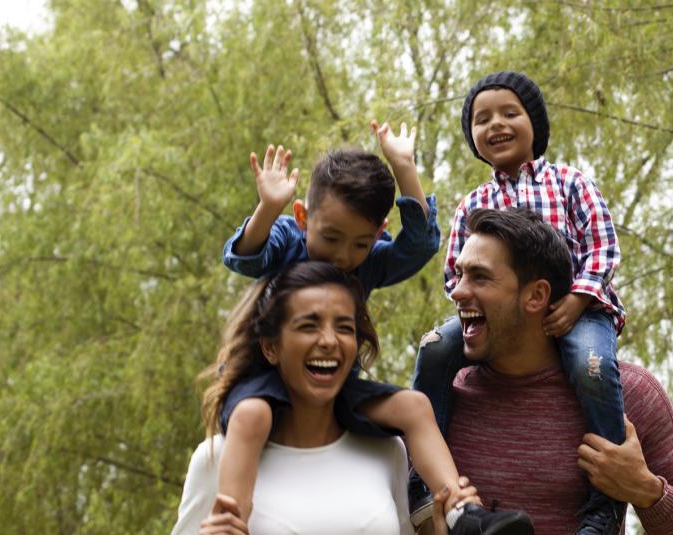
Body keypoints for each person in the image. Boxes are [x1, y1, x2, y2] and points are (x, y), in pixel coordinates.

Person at [217, 122, 530, 533]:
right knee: (252, 415)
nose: (343, 256)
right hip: (265, 382)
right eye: (331, 238)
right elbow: (244, 258)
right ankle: (229, 522)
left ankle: (462, 514)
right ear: (303, 217)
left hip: (335, 387)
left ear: (378, 233)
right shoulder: (288, 240)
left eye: (360, 244)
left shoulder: (367, 262)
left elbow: (418, 247)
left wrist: (404, 168)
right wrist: (268, 209)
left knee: (414, 406)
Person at [412, 71, 628, 534]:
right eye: (482, 119)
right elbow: (454, 274)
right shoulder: (474, 203)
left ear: (536, 124)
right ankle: (422, 478)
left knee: (592, 366)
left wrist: (578, 297)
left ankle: (606, 502)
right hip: (496, 312)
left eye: (510, 113)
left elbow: (603, 247)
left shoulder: (569, 182)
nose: (496, 124)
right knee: (434, 347)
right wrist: (472, 299)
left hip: (580, 309)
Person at [418, 208, 673, 534]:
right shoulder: (440, 401)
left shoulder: (630, 393)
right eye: (459, 274)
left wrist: (644, 488)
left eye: (479, 277)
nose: (457, 291)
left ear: (536, 295)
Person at [173, 262, 515, 535]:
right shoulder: (217, 458)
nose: (329, 341)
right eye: (309, 325)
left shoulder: (387, 450)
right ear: (271, 347)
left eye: (344, 327)